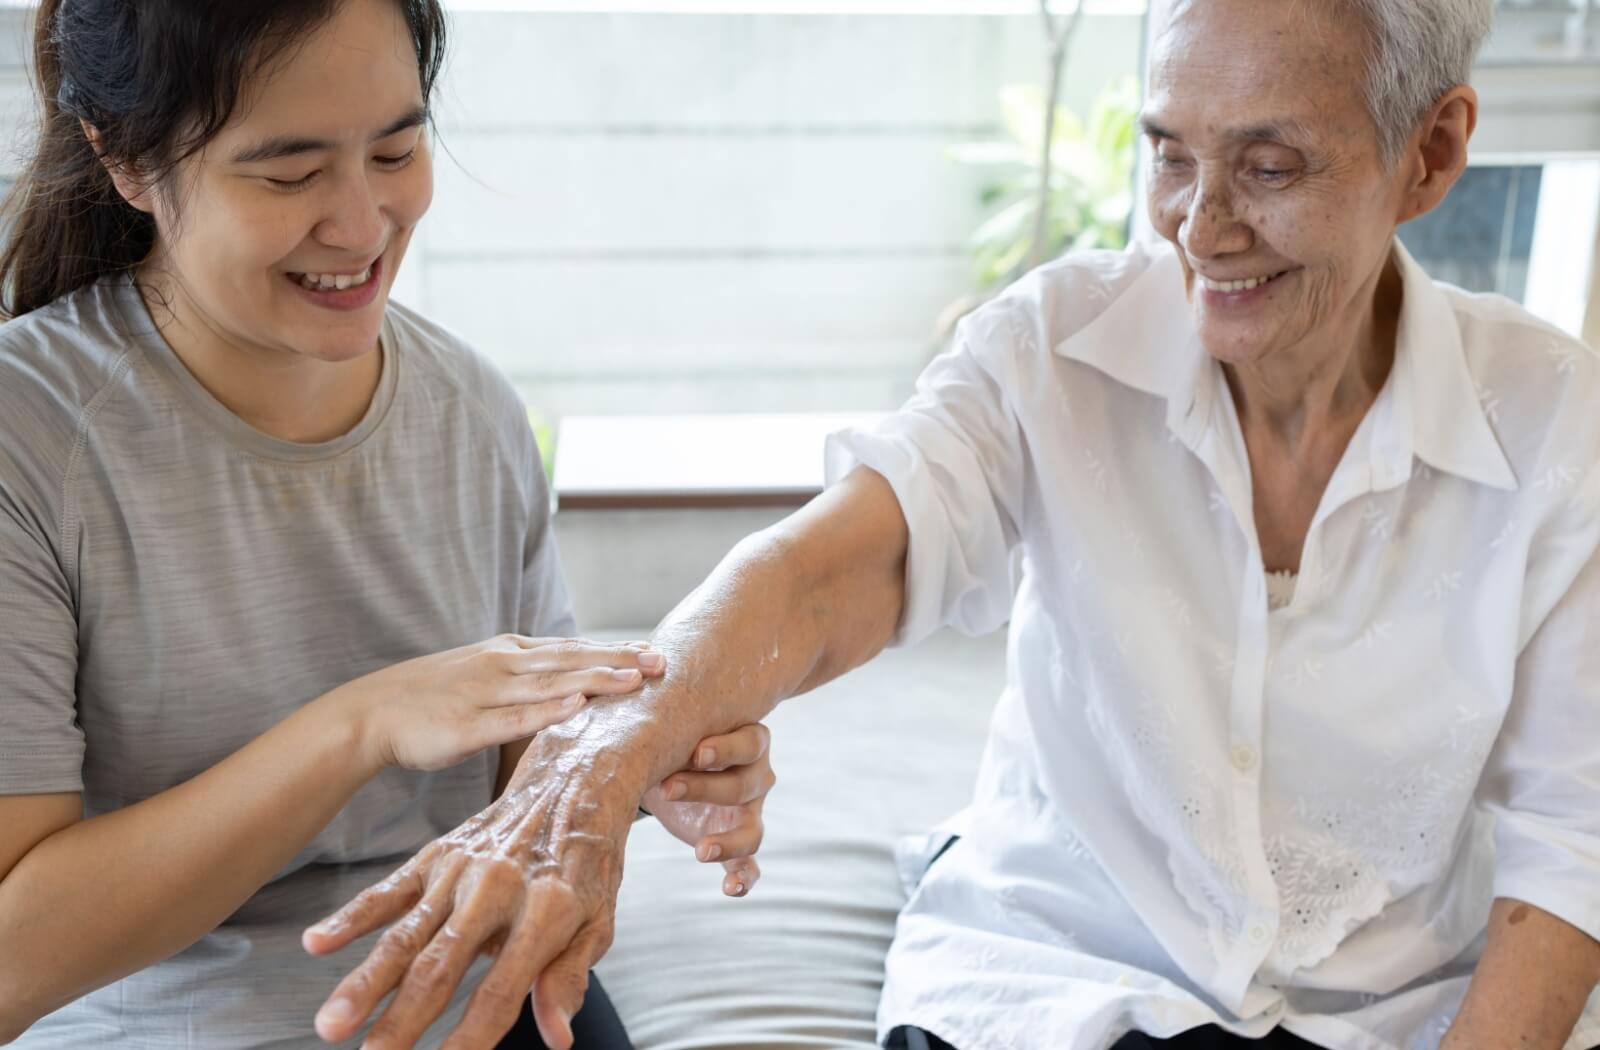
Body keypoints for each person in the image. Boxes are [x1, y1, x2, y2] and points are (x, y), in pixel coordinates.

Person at [305, 0, 1600, 1048]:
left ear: (1431, 151)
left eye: (1268, 166)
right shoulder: (1056, 345)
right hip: (1052, 984)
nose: (1200, 225)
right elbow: (838, 566)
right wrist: (619, 746)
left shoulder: (1554, 422)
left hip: (1391, 1012)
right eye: (1167, 152)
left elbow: (1568, 851)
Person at [0, 1, 777, 1047]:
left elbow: (518, 765)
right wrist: (356, 726)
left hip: (488, 1004)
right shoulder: (31, 438)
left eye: (397, 149)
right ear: (126, 158)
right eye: (288, 173)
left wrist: (638, 767)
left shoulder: (472, 408)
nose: (362, 225)